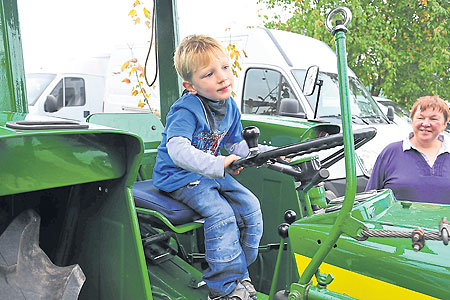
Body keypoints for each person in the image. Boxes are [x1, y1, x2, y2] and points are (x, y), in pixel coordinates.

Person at [152, 35, 269, 300]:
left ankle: (238, 273)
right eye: (209, 74)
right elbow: (177, 150)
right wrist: (219, 163)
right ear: (190, 85)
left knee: (251, 207)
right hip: (178, 176)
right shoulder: (185, 110)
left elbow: (237, 142)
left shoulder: (230, 107)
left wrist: (265, 155)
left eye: (225, 68)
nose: (222, 77)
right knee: (222, 214)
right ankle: (222, 289)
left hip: (209, 173)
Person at [365, 95, 450, 204]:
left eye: (433, 119)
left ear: (444, 124)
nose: (425, 124)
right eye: (420, 118)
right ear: (412, 121)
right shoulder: (391, 153)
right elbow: (369, 201)